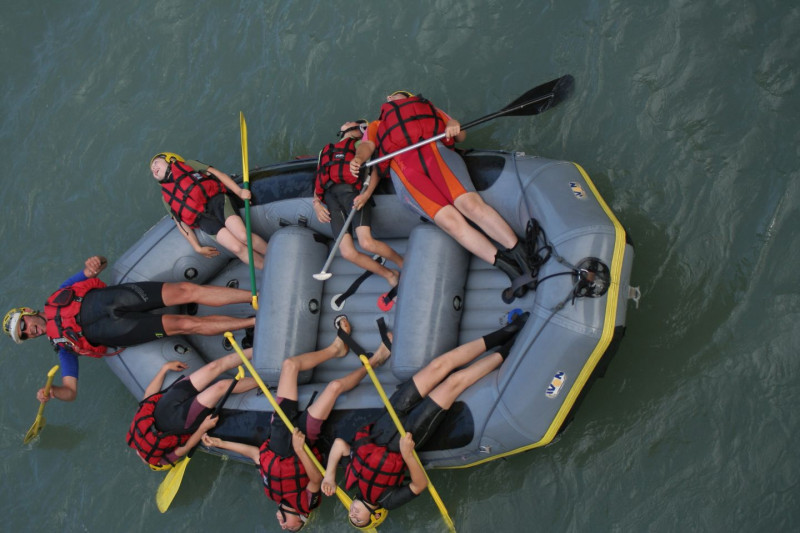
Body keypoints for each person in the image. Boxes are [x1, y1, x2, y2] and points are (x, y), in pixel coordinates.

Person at [321, 312, 529, 529]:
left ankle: (507, 331)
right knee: (454, 382)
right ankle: (507, 351)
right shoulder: (388, 501)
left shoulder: (351, 476)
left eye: (351, 516)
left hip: (391, 413)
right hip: (412, 432)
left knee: (439, 365)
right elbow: (418, 485)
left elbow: (339, 446)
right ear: (375, 517)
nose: (353, 514)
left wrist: (329, 475)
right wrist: (408, 454)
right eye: (358, 519)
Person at [202, 316, 391, 532]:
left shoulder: (271, 493)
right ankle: (375, 361)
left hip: (279, 429)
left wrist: (221, 443)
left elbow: (256, 455)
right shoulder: (306, 503)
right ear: (301, 520)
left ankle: (336, 349)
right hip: (303, 439)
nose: (282, 526)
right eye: (290, 529)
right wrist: (300, 449)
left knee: (289, 365)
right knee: (334, 387)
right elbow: (316, 478)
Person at [3, 254, 256, 404]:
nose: (29, 331)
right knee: (186, 325)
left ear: (29, 313)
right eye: (23, 335)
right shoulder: (64, 349)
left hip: (117, 298)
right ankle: (252, 322)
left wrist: (95, 263)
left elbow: (96, 267)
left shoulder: (57, 295)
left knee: (186, 291)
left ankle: (253, 297)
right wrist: (53, 392)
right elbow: (71, 391)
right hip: (121, 329)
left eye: (24, 325)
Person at [350, 91, 529, 285]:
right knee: (450, 222)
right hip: (406, 172)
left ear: (408, 96)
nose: (391, 97)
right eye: (391, 96)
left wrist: (453, 125)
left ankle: (522, 253)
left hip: (437, 155)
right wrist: (359, 158)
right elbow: (367, 145)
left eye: (398, 94)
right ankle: (508, 266)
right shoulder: (377, 125)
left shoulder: (428, 108)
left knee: (470, 205)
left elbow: (460, 136)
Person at [312, 121, 404, 311]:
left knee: (366, 243)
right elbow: (320, 177)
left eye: (358, 124)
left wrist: (366, 195)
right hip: (331, 199)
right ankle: (390, 274)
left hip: (354, 194)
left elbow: (376, 170)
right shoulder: (326, 150)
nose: (350, 123)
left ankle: (404, 263)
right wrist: (316, 204)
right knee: (347, 252)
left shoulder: (359, 145)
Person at [127, 348, 257, 469]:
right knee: (221, 387)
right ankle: (267, 380)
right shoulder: (162, 459)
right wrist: (203, 427)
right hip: (182, 419)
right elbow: (185, 447)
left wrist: (164, 368)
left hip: (167, 402)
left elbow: (147, 399)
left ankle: (256, 348)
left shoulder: (138, 430)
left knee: (214, 367)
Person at [150, 152, 268, 269]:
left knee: (243, 236)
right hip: (204, 220)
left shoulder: (189, 164)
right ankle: (267, 268)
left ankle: (272, 255)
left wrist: (239, 192)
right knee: (236, 248)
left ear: (170, 159)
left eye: (156, 163)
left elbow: (217, 174)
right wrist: (197, 247)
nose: (154, 168)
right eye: (152, 169)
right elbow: (180, 223)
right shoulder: (165, 197)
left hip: (217, 202)